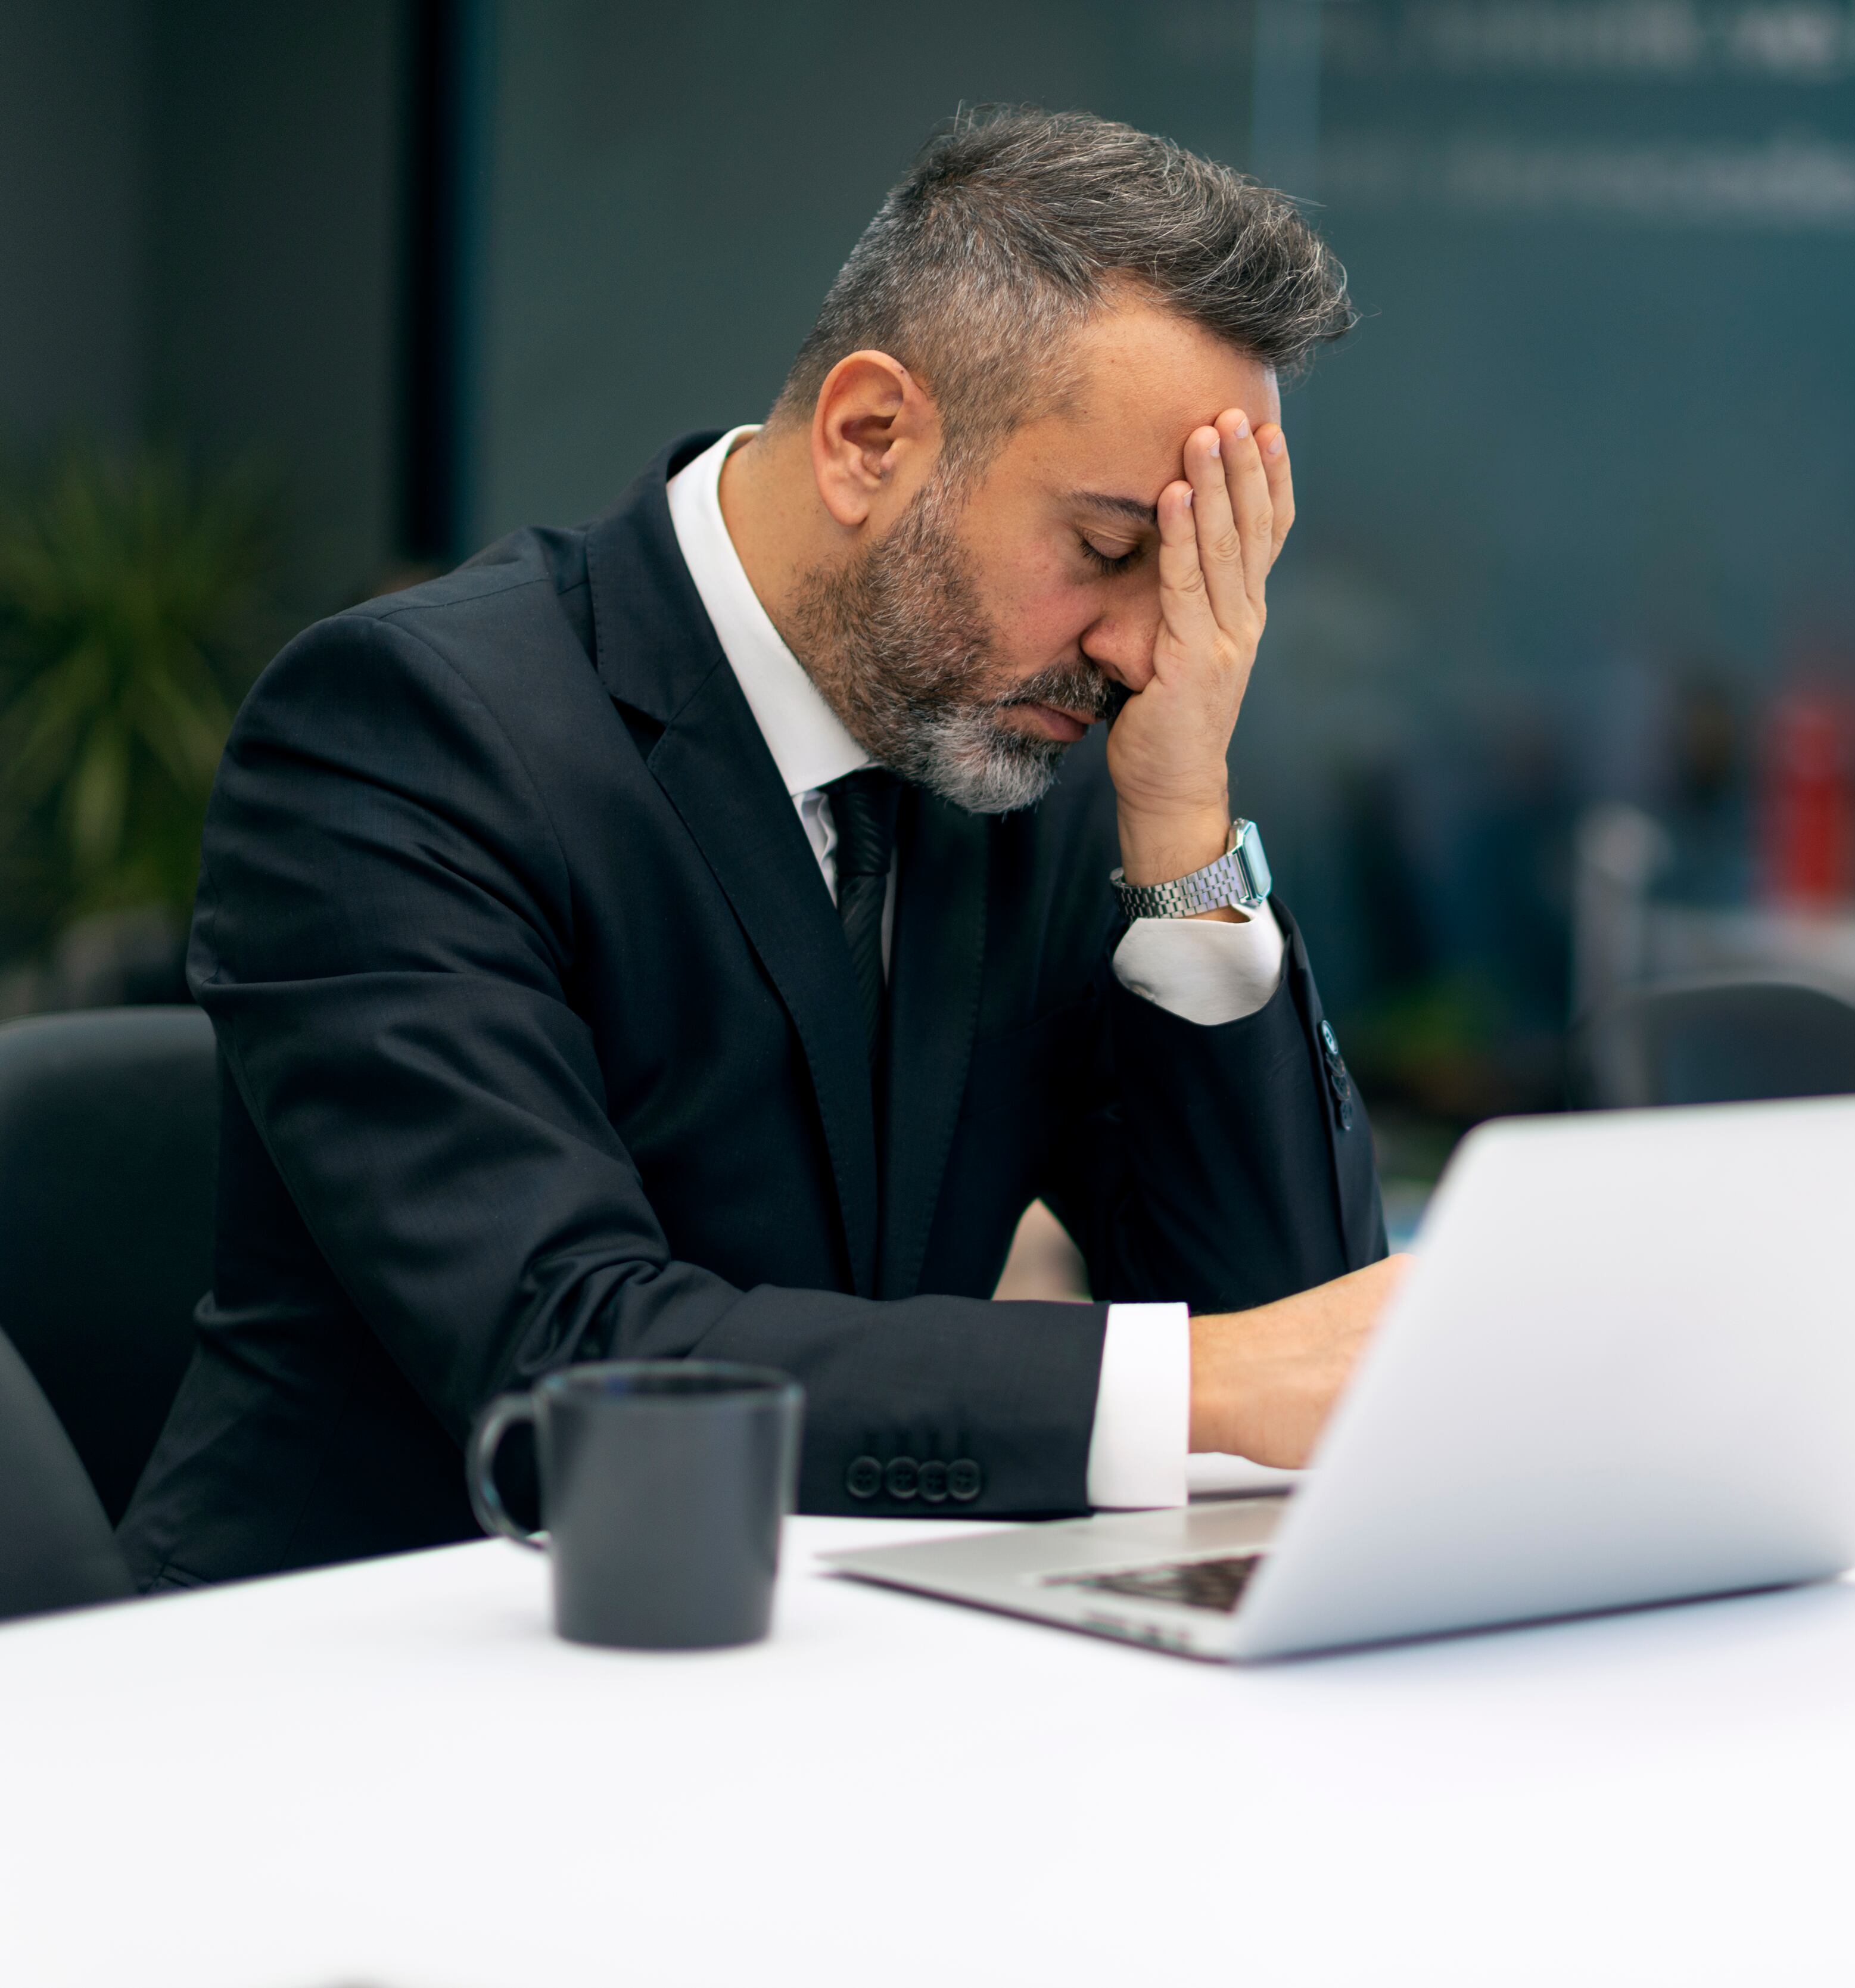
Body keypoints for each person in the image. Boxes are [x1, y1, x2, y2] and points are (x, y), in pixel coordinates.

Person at [120, 107, 1405, 1589]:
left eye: (1188, 577)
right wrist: (1203, 1384)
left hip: (829, 1674)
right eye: (1112, 551)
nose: (1138, 645)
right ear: (870, 439)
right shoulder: (410, 731)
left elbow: (1300, 1346)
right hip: (348, 1692)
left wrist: (1182, 829)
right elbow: (570, 1361)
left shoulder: (1031, 754)